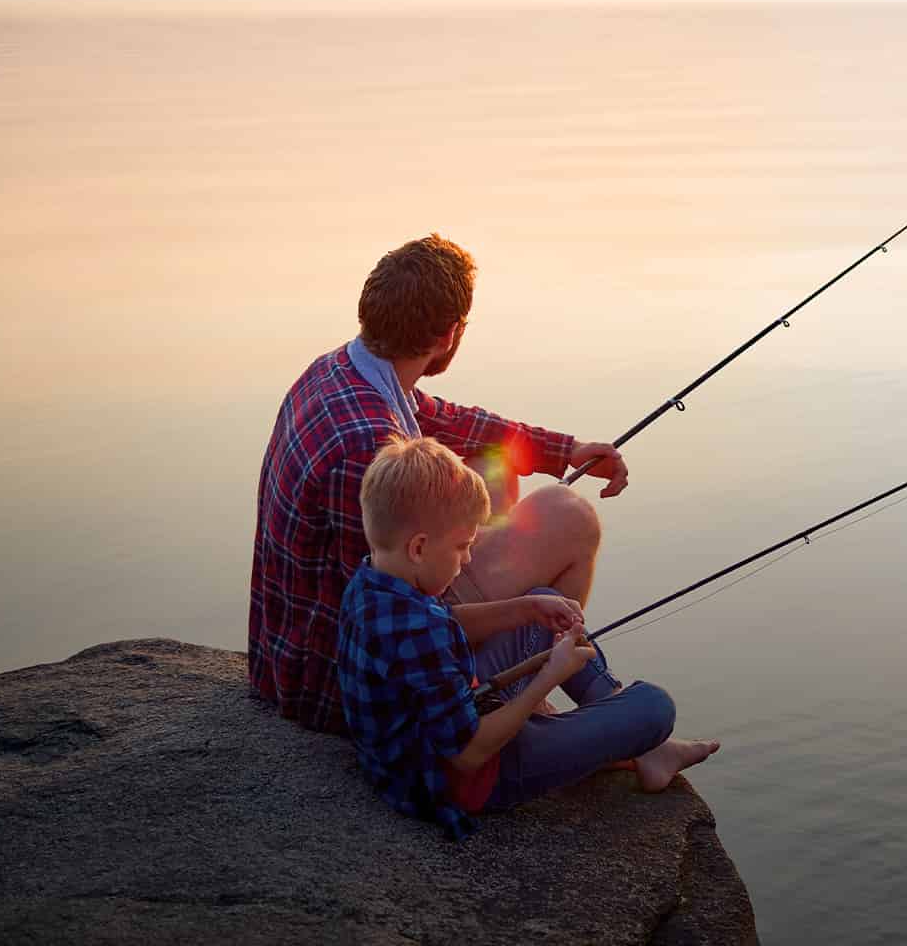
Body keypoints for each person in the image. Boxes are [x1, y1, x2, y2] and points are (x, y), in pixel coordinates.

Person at [252, 233, 628, 733]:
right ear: (450, 333)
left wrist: (564, 450)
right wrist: (522, 608)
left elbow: (446, 419)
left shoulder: (342, 371)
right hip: (336, 684)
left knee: (492, 467)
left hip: (295, 649)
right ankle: (514, 709)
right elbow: (386, 614)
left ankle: (538, 686)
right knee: (569, 519)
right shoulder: (367, 451)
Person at [338, 436, 716, 838]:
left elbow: (445, 622)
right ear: (418, 548)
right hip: (474, 779)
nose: (467, 559)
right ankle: (642, 745)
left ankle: (633, 741)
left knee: (544, 601)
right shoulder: (418, 630)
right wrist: (549, 678)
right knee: (655, 707)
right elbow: (469, 755)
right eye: (462, 547)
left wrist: (525, 609)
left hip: (429, 739)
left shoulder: (370, 582)